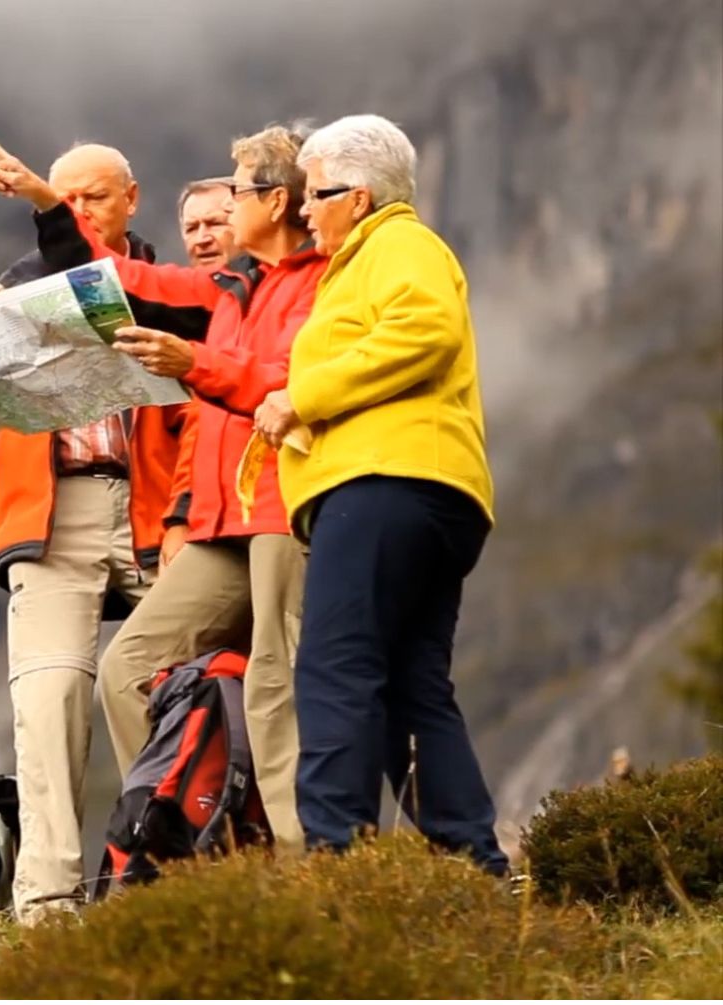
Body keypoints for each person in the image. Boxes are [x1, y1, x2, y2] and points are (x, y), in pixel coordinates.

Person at [0, 138, 200, 921]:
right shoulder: (12, 295)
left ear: (131, 197)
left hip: (159, 506)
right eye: (68, 199)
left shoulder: (175, 289)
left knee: (177, 682)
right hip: (56, 514)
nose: (80, 210)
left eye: (93, 197)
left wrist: (193, 512)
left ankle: (170, 875)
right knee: (51, 692)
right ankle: (48, 902)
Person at [0, 124, 323, 852]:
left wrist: (193, 365)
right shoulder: (223, 290)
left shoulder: (327, 282)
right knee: (129, 669)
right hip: (214, 523)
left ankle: (304, 872)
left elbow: (300, 388)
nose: (223, 209)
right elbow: (115, 282)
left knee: (280, 681)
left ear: (277, 201)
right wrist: (47, 204)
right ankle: (170, 848)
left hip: (283, 506)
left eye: (235, 194)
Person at [252, 114, 507, 873]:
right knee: (410, 685)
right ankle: (473, 865)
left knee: (336, 668)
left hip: (381, 485)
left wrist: (302, 396)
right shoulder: (369, 257)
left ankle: (339, 867)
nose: (303, 210)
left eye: (315, 194)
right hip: (431, 492)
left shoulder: (400, 243)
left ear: (358, 197)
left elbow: (424, 330)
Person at [177, 177, 237, 271]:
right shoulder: (172, 284)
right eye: (191, 229)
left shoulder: (268, 283)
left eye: (215, 224)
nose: (201, 240)